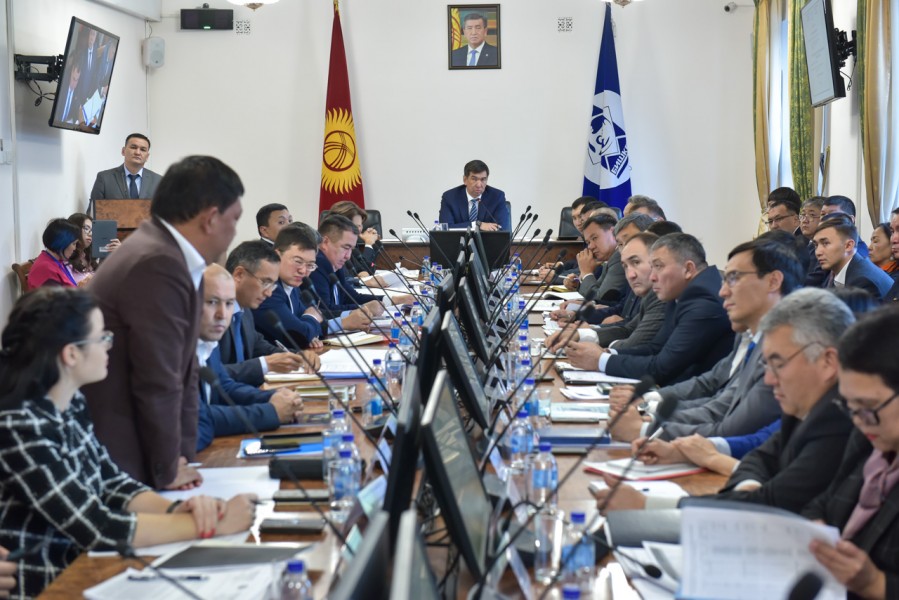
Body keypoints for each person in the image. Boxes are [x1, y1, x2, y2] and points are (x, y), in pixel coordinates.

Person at [0, 287, 255, 598]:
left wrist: (181, 510)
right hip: (49, 584)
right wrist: (213, 525)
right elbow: (96, 526)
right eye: (102, 338)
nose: (109, 345)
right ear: (71, 354)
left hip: (83, 568)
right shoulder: (19, 426)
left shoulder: (70, 402)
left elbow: (112, 483)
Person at [595, 288, 855, 515]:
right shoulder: (803, 408)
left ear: (828, 362)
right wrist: (750, 485)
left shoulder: (838, 421)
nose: (769, 379)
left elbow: (772, 505)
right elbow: (760, 459)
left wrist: (649, 505)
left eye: (778, 364)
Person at [83, 155, 244, 490]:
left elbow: (185, 368)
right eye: (234, 219)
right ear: (211, 218)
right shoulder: (158, 262)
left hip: (148, 450)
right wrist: (169, 468)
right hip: (126, 458)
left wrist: (183, 457)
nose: (234, 231)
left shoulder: (169, 253)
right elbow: (158, 377)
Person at [609, 236, 803, 442]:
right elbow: (717, 396)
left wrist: (645, 428)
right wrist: (648, 405)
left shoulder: (789, 346)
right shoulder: (748, 334)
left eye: (734, 278)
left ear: (773, 281)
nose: (723, 291)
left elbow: (732, 426)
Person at [805, 306, 899, 600]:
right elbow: (825, 501)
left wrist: (877, 585)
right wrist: (816, 528)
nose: (858, 420)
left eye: (867, 406)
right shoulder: (869, 437)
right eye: (850, 405)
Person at [563, 233, 734, 386]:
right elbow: (655, 348)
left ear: (688, 269)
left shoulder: (704, 301)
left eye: (658, 266)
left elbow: (662, 368)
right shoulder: (682, 291)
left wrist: (601, 360)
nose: (652, 277)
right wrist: (608, 352)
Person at [196, 265, 304, 451]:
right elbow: (198, 419)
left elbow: (224, 387)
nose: (222, 314)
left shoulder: (207, 342)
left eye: (229, 303)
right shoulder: (173, 350)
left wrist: (272, 397)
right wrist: (270, 412)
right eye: (212, 302)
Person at [548, 232, 668, 357]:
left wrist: (601, 356)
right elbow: (629, 329)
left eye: (636, 262)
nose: (630, 274)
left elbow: (637, 344)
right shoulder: (651, 294)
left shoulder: (661, 298)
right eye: (626, 266)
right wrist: (582, 333)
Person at [254, 224, 372, 349]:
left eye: (310, 265)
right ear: (277, 255)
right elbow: (300, 334)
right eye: (298, 261)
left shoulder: (291, 283)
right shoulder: (268, 290)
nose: (303, 271)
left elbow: (307, 323)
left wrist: (309, 328)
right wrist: (310, 324)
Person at [221, 241, 318, 387]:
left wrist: (297, 356)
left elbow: (258, 345)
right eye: (265, 282)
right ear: (239, 274)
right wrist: (264, 364)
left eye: (272, 284)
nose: (269, 293)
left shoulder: (244, 310)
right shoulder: (211, 315)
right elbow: (211, 375)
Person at [309, 214, 413, 315]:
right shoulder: (316, 266)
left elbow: (353, 297)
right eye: (346, 248)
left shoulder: (334, 263)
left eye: (351, 249)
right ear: (325, 242)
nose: (348, 256)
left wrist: (393, 300)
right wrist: (364, 308)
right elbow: (325, 311)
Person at [814, 218, 894, 300]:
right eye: (816, 245)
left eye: (826, 243)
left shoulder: (863, 281)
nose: (818, 252)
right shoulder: (839, 270)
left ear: (848, 246)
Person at [438, 159, 510, 231]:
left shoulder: (497, 197)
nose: (479, 185)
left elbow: (502, 228)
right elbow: (445, 228)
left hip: (488, 238)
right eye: (474, 179)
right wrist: (476, 225)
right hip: (458, 238)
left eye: (483, 179)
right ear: (465, 180)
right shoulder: (449, 197)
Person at [89, 133, 162, 201]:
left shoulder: (158, 181)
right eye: (133, 147)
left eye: (143, 149)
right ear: (123, 151)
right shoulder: (104, 178)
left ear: (147, 156)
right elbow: (93, 209)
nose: (137, 152)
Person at [574, 214, 628, 303]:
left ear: (613, 232)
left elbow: (601, 299)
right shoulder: (609, 258)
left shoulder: (620, 256)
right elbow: (597, 291)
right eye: (588, 242)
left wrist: (586, 273)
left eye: (594, 238)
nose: (590, 247)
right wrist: (582, 277)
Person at [327, 200, 381, 276]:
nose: (360, 229)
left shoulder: (351, 245)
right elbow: (343, 278)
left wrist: (362, 274)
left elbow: (364, 269)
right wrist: (369, 244)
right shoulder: (331, 249)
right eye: (356, 226)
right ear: (340, 225)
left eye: (361, 225)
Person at [26, 219, 81, 290]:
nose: (75, 248)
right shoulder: (45, 269)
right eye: (74, 243)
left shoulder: (55, 260)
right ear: (62, 242)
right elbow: (57, 297)